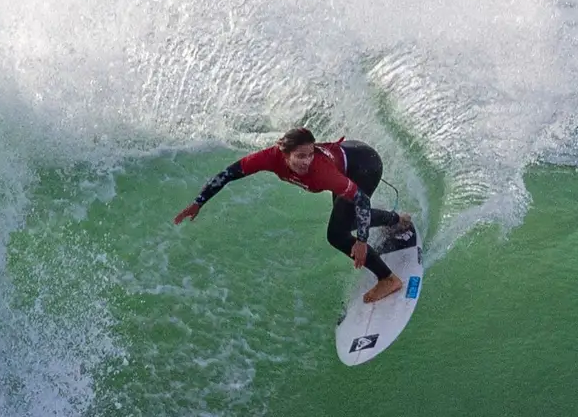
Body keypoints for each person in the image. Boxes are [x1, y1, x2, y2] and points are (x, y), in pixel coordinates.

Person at [174, 128, 415, 303]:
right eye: (300, 156)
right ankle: (398, 221)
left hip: (364, 165)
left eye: (310, 154)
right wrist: (199, 202)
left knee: (337, 234)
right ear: (284, 152)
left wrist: (361, 243)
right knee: (347, 219)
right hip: (349, 157)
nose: (306, 161)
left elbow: (361, 199)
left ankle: (388, 279)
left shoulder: (320, 172)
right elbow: (229, 173)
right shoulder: (269, 157)